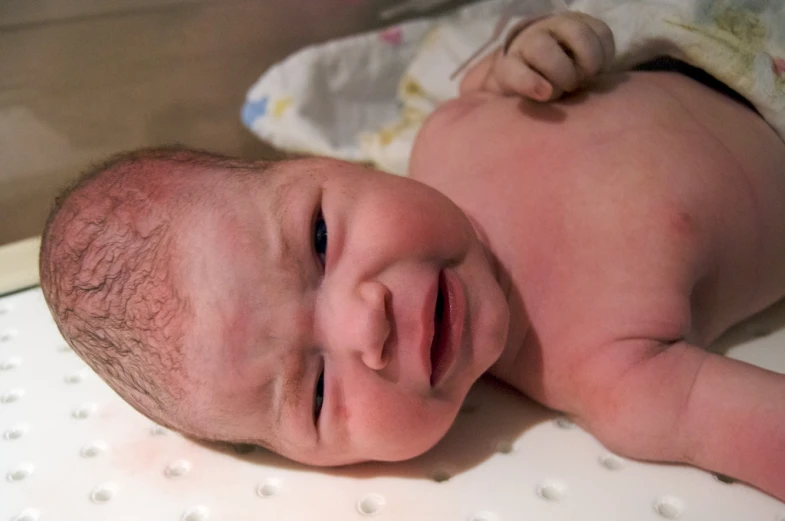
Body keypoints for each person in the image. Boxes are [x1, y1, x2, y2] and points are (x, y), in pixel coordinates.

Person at [39, 10, 785, 500]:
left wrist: (544, 46)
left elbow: (514, 63)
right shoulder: (608, 375)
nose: (367, 326)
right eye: (319, 392)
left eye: (321, 240)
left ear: (334, 168)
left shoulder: (448, 133)